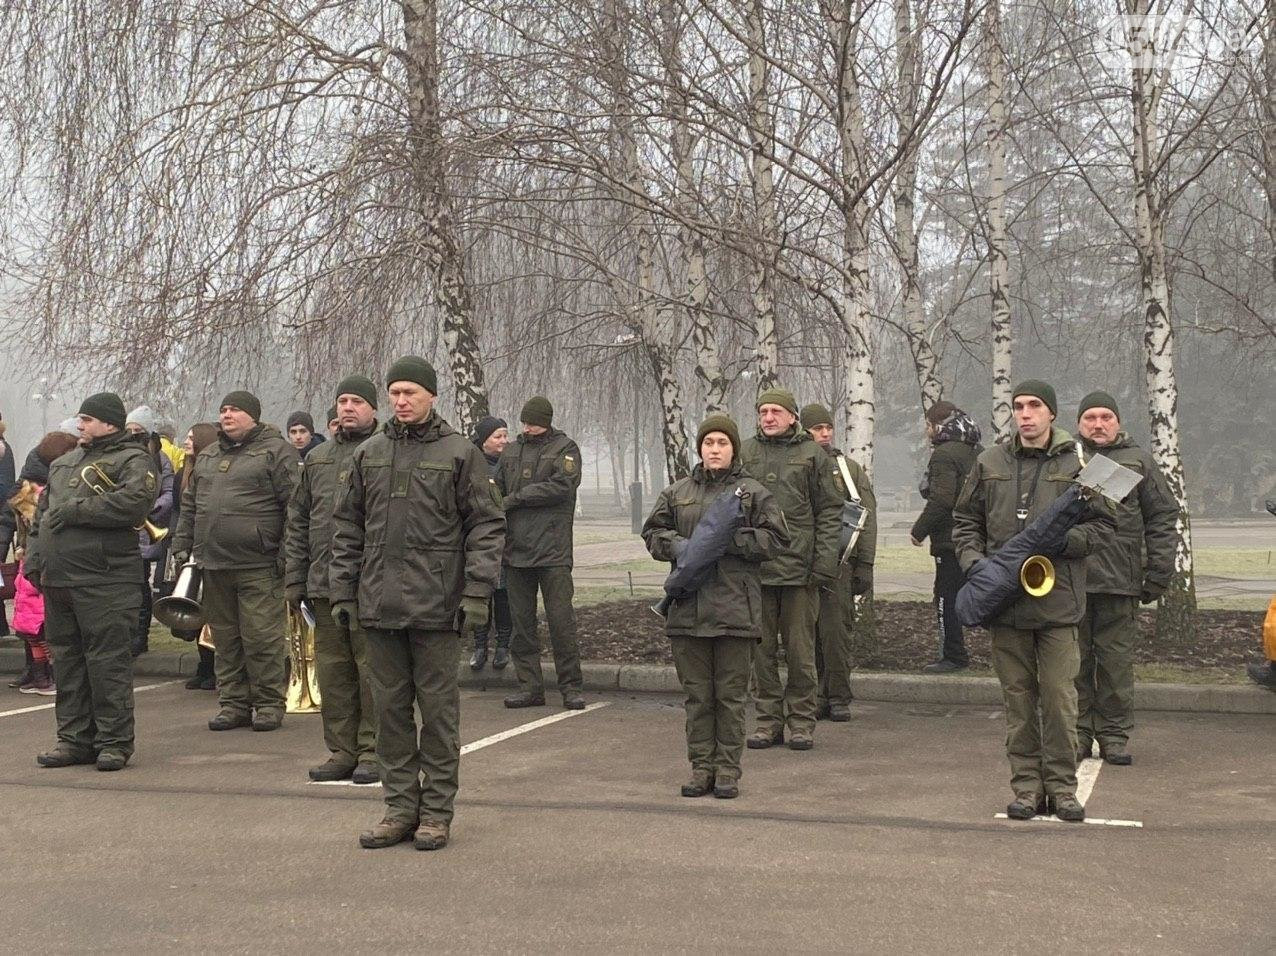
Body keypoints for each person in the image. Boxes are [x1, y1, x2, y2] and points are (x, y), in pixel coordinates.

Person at [330, 356, 504, 851]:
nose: (402, 401)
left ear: (431, 395)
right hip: (379, 608)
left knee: (439, 716)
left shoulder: (460, 454)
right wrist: (343, 592)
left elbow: (486, 526)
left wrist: (476, 593)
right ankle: (400, 808)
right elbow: (346, 529)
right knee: (389, 715)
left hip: (437, 609)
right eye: (395, 392)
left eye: (411, 392)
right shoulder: (369, 453)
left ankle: (436, 813)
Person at [953, 380, 1114, 822]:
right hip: (1004, 604)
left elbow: (1108, 525)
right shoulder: (988, 461)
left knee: (1061, 702)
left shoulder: (1084, 461)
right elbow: (964, 521)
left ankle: (1063, 789)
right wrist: (975, 566)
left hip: (1059, 603)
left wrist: (1069, 542)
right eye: (1018, 406)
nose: (1025, 414)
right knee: (1018, 703)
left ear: (1052, 414)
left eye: (1035, 406)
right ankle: (1026, 787)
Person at [642, 414, 788, 799]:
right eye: (709, 443)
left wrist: (727, 541)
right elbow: (653, 534)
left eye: (722, 443)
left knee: (730, 697)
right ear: (700, 449)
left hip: (734, 612)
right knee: (698, 699)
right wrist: (682, 547)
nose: (715, 450)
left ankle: (727, 769)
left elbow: (775, 539)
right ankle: (701, 767)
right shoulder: (677, 493)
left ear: (734, 448)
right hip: (687, 612)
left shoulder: (752, 494)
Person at [23, 392, 156, 771]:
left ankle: (113, 742)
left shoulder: (132, 459)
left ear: (109, 423)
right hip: (59, 579)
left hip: (105, 580)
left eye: (87, 419)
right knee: (67, 663)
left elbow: (133, 503)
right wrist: (35, 560)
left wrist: (77, 509)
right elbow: (43, 517)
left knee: (107, 664)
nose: (79, 425)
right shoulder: (64, 463)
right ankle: (73, 739)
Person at [171, 391, 299, 732]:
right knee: (225, 639)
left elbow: (295, 508)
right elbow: (191, 505)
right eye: (224, 410)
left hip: (260, 564)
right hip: (214, 564)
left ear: (253, 416)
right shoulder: (209, 455)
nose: (227, 415)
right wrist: (183, 544)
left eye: (235, 410)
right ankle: (234, 704)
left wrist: (287, 556)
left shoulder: (276, 452)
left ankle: (269, 703)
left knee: (262, 638)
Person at [284, 375, 381, 785]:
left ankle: (375, 750)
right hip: (323, 584)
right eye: (342, 400)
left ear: (374, 409)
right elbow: (298, 520)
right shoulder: (319, 459)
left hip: (370, 586)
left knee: (372, 671)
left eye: (357, 401)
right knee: (335, 672)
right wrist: (295, 579)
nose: (347, 408)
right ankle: (342, 750)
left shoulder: (383, 452)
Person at [1074, 391, 1177, 764]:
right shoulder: (1067, 458)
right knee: (1075, 664)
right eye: (1090, 418)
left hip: (1121, 581)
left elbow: (1162, 518)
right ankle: (1079, 734)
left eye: (1105, 417)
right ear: (1079, 423)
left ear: (1117, 422)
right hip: (1073, 581)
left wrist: (1159, 571)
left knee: (1115, 665)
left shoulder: (1139, 461)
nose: (1098, 424)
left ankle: (1114, 736)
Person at [739, 388, 842, 751]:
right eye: (763, 411)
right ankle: (767, 721)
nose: (768, 417)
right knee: (761, 653)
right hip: (756, 571)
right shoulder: (745, 452)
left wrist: (825, 563)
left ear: (793, 417)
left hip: (801, 572)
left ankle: (801, 721)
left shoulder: (813, 455)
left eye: (776, 411)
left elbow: (831, 512)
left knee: (800, 652)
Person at [496, 396, 586, 710]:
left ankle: (571, 687)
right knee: (522, 625)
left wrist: (517, 498)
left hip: (553, 552)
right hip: (516, 552)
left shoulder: (565, 448)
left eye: (533, 421)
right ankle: (530, 687)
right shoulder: (512, 450)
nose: (528, 426)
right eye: (525, 421)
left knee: (562, 623)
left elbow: (562, 486)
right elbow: (498, 491)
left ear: (546, 420)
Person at [799, 403, 877, 722]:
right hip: (802, 563)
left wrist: (865, 565)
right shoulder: (798, 465)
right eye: (818, 428)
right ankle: (814, 695)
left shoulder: (848, 469)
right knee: (806, 635)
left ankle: (838, 696)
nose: (826, 433)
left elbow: (866, 516)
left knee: (835, 633)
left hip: (839, 563)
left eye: (828, 427)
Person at [910, 401, 983, 674]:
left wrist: (919, 531)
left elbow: (942, 498)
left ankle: (953, 655)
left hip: (949, 540)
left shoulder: (943, 455)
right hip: (976, 537)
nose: (927, 431)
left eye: (928, 425)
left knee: (945, 597)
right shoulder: (978, 451)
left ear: (938, 426)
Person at [6, 431, 80, 693]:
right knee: (41, 624)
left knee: (31, 623)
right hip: (40, 561)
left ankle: (37, 672)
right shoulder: (40, 491)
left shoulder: (29, 485)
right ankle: (44, 674)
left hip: (28, 560)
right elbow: (42, 526)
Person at [125, 405, 175, 658]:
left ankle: (140, 635)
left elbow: (169, 492)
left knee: (142, 585)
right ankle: (129, 633)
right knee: (129, 587)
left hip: (147, 527)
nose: (133, 434)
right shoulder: (121, 456)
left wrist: (151, 509)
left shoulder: (161, 459)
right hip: (126, 530)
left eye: (139, 430)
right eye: (129, 430)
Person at [176, 423, 220, 690]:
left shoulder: (208, 471)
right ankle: (203, 666)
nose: (187, 441)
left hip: (211, 547)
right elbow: (185, 512)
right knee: (195, 608)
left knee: (213, 612)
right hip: (193, 547)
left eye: (192, 438)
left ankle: (215, 667)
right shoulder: (184, 472)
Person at [468, 415, 512, 671]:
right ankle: (480, 645)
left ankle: (503, 645)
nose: (504, 441)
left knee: (503, 595)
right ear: (484, 440)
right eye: (498, 436)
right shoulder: (473, 464)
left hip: (505, 539)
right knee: (480, 595)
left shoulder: (510, 463)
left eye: (505, 435)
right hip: (479, 539)